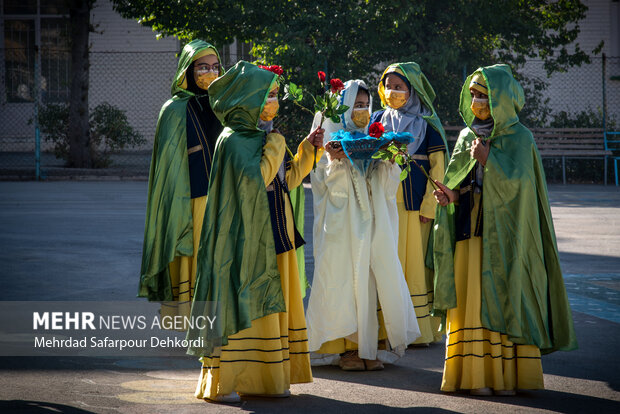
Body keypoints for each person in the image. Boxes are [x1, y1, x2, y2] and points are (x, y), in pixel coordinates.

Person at [432, 64, 578, 395]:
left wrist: (489, 161)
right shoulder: (468, 136)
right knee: (472, 299)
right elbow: (463, 185)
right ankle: (476, 376)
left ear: (501, 98)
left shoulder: (520, 138)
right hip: (472, 234)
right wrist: (449, 196)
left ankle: (509, 378)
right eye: (472, 94)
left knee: (506, 297)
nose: (476, 101)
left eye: (482, 95)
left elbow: (523, 188)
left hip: (508, 242)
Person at [186, 61, 323, 402]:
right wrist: (276, 146)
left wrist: (309, 148)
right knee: (248, 308)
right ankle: (229, 380)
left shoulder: (264, 137)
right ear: (249, 100)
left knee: (273, 310)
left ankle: (268, 379)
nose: (275, 102)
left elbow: (286, 179)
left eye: (276, 95)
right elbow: (255, 183)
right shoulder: (233, 141)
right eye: (270, 96)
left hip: (278, 236)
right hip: (246, 244)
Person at [306, 80, 420, 371]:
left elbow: (386, 183)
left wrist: (389, 160)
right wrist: (334, 160)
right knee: (344, 277)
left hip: (371, 219)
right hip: (342, 223)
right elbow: (320, 182)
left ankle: (369, 347)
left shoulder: (371, 135)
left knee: (371, 275)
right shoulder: (327, 137)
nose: (361, 111)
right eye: (355, 105)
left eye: (365, 105)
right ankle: (346, 349)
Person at [139, 40, 223, 320]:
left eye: (215, 67)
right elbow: (169, 168)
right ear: (187, 70)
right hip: (190, 197)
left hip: (224, 195)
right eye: (202, 67)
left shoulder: (225, 105)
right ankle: (188, 316)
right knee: (194, 256)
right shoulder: (173, 110)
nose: (210, 72)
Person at [370, 62, 448, 346]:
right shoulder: (376, 120)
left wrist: (430, 206)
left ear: (412, 91)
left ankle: (417, 331)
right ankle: (384, 328)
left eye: (399, 87)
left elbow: (439, 170)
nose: (392, 92)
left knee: (414, 266)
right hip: (384, 204)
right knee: (385, 261)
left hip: (416, 210)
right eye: (388, 86)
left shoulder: (427, 125)